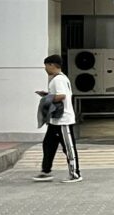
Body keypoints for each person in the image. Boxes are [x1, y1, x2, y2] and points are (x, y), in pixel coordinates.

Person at [33, 55, 81, 183]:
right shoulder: (59, 78)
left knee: (68, 147)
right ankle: (45, 171)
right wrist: (48, 95)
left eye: (46, 66)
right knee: (48, 144)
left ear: (52, 65)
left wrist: (46, 98)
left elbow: (61, 96)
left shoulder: (58, 79)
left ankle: (75, 174)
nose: (45, 69)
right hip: (55, 121)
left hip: (63, 120)